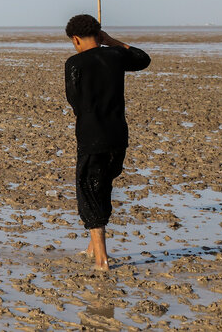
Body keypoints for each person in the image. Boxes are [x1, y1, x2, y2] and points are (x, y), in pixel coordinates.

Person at [64, 14, 151, 271]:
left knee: (89, 190)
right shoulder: (115, 56)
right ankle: (92, 248)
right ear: (99, 35)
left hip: (92, 135)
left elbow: (74, 100)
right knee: (102, 185)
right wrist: (112, 42)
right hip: (117, 135)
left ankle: (101, 258)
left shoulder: (74, 63)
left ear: (76, 39)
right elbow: (142, 59)